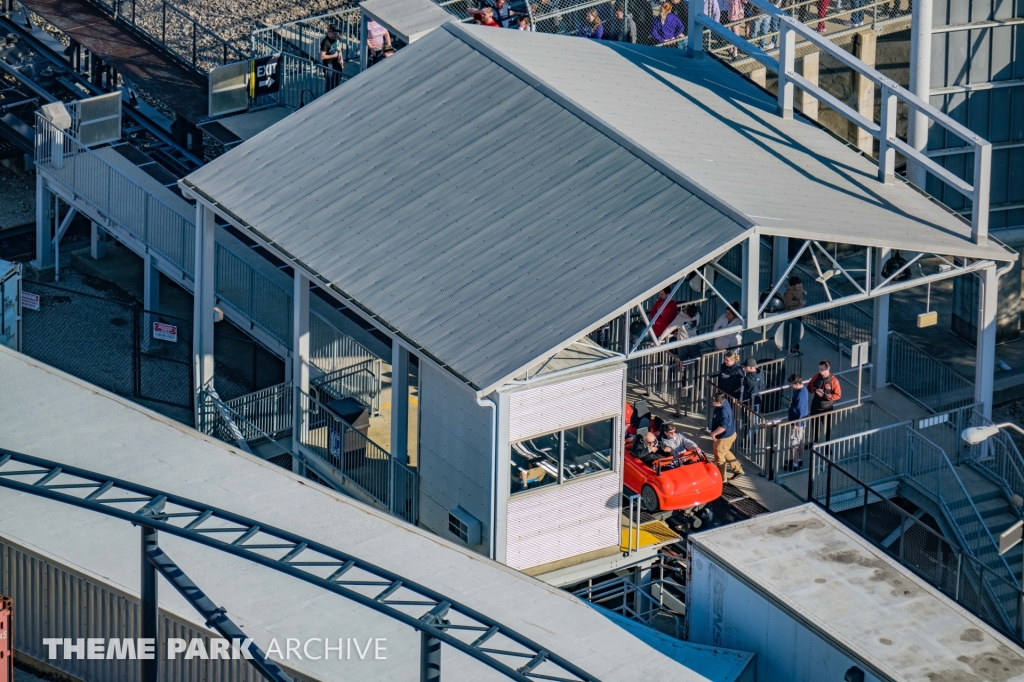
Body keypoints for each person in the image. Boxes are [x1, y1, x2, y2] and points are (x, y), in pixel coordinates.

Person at [711, 392, 743, 480]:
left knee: (719, 456)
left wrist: (714, 434)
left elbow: (723, 427)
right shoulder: (725, 402)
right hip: (731, 434)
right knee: (724, 451)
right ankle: (738, 470)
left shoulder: (723, 412)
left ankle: (722, 478)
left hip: (724, 437)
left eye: (713, 400)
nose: (712, 401)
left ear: (719, 402)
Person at [808, 360, 841, 442]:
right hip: (815, 407)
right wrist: (815, 390)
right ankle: (815, 443)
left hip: (826, 409)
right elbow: (809, 386)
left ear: (828, 368)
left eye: (822, 369)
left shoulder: (834, 380)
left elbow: (838, 395)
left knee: (827, 428)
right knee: (815, 428)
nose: (820, 371)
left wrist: (825, 395)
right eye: (819, 369)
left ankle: (827, 445)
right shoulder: (816, 377)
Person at [787, 373, 809, 469]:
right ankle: (799, 460)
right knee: (800, 441)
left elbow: (800, 410)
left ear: (796, 384)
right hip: (801, 421)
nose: (790, 385)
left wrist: (797, 423)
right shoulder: (803, 390)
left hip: (798, 422)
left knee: (794, 443)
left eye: (791, 383)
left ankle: (795, 464)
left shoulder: (800, 394)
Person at [782, 275, 805, 354]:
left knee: (797, 331)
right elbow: (788, 302)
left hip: (798, 312)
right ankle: (790, 347)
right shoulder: (788, 292)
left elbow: (801, 291)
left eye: (800, 283)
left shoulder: (799, 288)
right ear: (792, 286)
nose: (800, 285)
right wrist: (799, 302)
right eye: (797, 284)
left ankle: (795, 347)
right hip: (790, 313)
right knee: (791, 331)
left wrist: (804, 292)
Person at [319, 25, 344, 92]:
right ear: (329, 32)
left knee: (337, 79)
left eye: (336, 32)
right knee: (330, 83)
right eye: (333, 33)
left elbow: (339, 48)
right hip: (329, 65)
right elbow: (322, 56)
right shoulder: (325, 42)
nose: (335, 34)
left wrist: (341, 58)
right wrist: (333, 56)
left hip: (337, 63)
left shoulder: (337, 38)